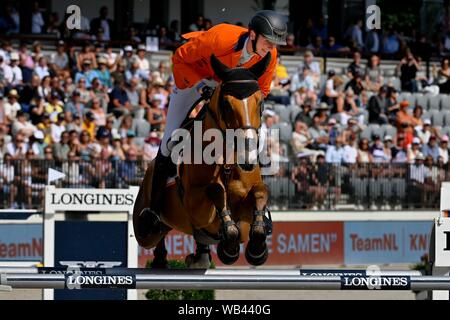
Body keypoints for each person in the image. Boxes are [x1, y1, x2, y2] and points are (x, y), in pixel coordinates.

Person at [139, 10, 287, 232]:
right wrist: (201, 86)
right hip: (194, 81)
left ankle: (260, 209)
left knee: (258, 140)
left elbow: (262, 89)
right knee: (171, 140)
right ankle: (153, 209)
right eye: (268, 41)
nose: (271, 48)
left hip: (232, 93)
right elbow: (179, 58)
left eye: (275, 43)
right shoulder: (219, 39)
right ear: (253, 35)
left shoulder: (270, 54)